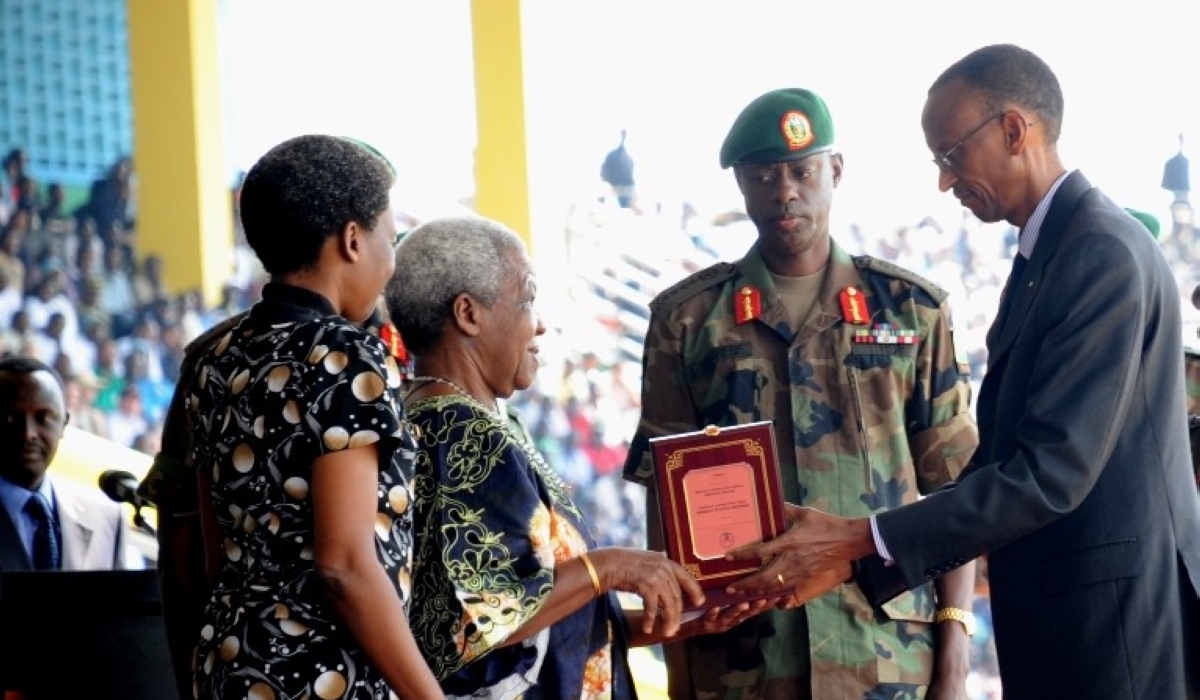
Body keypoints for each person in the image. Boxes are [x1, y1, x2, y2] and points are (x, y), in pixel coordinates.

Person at [726, 44, 1200, 700]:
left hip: (1112, 637)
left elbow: (1048, 474)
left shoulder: (1099, 251)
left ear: (1013, 130)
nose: (946, 182)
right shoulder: (1053, 250)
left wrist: (862, 537)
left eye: (951, 156)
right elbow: (997, 463)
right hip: (1073, 624)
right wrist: (853, 552)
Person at [620, 88, 980, 700]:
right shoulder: (687, 320)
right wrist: (681, 676)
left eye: (802, 171)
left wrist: (953, 659)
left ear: (834, 172)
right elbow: (668, 501)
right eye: (763, 175)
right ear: (741, 185)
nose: (784, 190)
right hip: (742, 664)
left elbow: (955, 491)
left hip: (886, 660)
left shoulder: (912, 311)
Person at [386, 215, 769, 699]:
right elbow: (484, 622)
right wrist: (611, 566)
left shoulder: (445, 415)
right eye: (526, 300)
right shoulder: (462, 431)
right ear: (468, 313)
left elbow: (538, 627)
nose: (540, 323)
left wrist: (676, 622)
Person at [181, 134, 443, 699]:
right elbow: (345, 566)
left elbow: (214, 554)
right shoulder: (343, 353)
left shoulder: (216, 358)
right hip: (319, 677)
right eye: (389, 237)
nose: (390, 259)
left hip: (229, 664)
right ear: (352, 239)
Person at [0, 355, 141, 571]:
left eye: (43, 418)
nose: (28, 434)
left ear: (64, 423)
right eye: (10, 418)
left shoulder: (107, 519)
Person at [600, 129, 638, 210]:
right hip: (623, 188)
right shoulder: (626, 157)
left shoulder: (617, 155)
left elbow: (603, 175)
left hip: (620, 188)